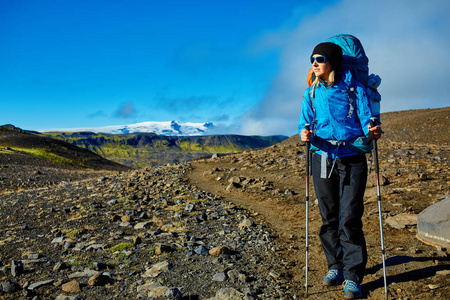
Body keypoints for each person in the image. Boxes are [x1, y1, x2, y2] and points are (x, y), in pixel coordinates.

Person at [299, 42, 382, 299]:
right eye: (312, 58)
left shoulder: (354, 88)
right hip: (322, 156)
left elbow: (369, 119)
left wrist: (374, 129)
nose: (314, 63)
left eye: (320, 58)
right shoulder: (310, 93)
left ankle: (353, 275)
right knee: (329, 215)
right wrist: (304, 133)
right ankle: (335, 265)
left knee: (349, 216)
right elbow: (304, 122)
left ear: (332, 61)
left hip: (352, 156)